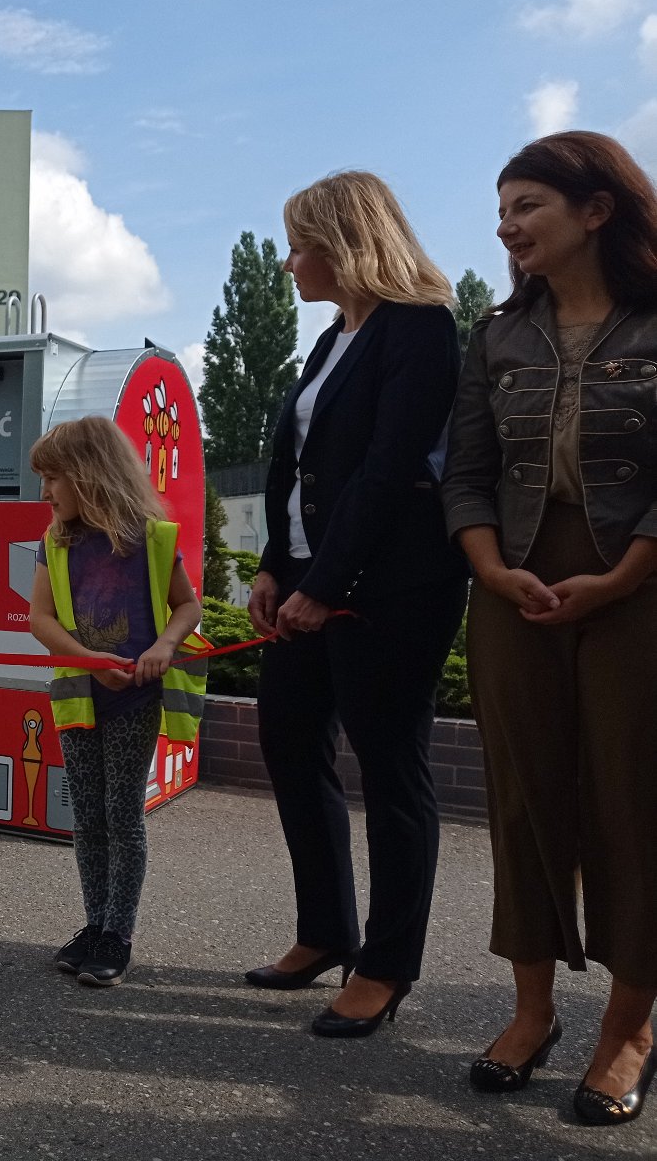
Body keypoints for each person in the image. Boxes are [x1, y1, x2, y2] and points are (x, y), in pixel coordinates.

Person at [443, 131, 657, 1126]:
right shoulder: (493, 337)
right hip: (510, 582)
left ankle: (626, 1030)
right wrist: (486, 565)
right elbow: (466, 471)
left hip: (640, 583)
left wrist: (622, 574)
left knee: (632, 799)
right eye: (501, 208)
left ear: (595, 210)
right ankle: (530, 1013)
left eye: (525, 205)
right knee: (521, 797)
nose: (504, 226)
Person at [244, 172, 469, 1037]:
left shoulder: (421, 329)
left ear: (347, 241)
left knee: (391, 769)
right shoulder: (334, 337)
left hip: (391, 591)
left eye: (300, 242)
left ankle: (385, 965)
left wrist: (323, 586)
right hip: (305, 577)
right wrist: (273, 567)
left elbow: (386, 473)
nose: (291, 260)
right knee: (289, 747)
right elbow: (295, 470)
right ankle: (324, 932)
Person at [27, 417, 203, 988]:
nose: (46, 493)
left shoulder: (152, 537)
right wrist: (89, 658)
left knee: (121, 815)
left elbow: (187, 607)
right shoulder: (55, 541)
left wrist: (163, 646)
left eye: (53, 479)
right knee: (88, 816)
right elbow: (39, 618)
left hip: (134, 701)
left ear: (88, 475)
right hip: (80, 697)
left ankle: (116, 934)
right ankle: (94, 922)